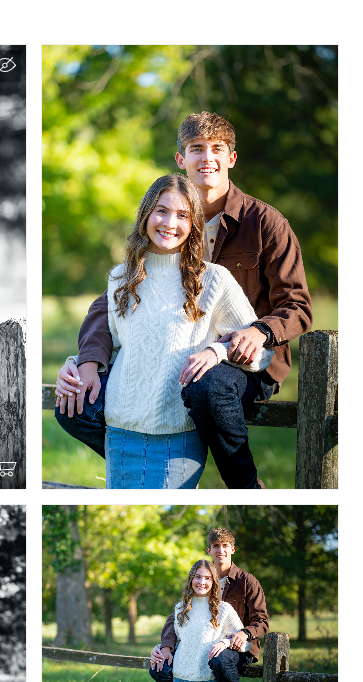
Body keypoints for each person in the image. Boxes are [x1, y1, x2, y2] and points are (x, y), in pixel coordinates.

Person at [54, 110, 312, 489]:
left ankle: (244, 486)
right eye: (196, 148)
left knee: (206, 388)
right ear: (181, 159)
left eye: (217, 149)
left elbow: (298, 306)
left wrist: (258, 332)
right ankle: (158, 461)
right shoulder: (167, 220)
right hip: (172, 357)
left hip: (243, 362)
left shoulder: (266, 223)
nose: (207, 157)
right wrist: (87, 361)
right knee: (74, 403)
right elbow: (110, 301)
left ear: (231, 158)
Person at [64, 172, 276, 487]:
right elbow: (121, 345)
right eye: (161, 210)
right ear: (146, 215)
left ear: (193, 226)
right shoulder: (121, 277)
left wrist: (216, 351)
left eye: (182, 215)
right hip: (120, 431)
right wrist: (76, 364)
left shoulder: (214, 280)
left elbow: (262, 353)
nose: (169, 222)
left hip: (177, 436)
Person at [150, 527, 269, 682]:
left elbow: (262, 621)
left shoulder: (247, 582)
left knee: (219, 659)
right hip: (205, 642)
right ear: (209, 550)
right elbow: (175, 616)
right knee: (159, 667)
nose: (221, 550)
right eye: (216, 546)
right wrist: (165, 647)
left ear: (232, 549)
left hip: (238, 647)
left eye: (225, 545)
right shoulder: (204, 578)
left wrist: (243, 634)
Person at [167, 558, 247, 682]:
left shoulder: (223, 609)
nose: (201, 582)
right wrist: (159, 648)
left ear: (214, 582)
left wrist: (225, 643)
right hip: (179, 680)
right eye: (197, 576)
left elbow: (246, 643)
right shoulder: (180, 608)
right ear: (191, 579)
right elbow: (179, 641)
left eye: (207, 578)